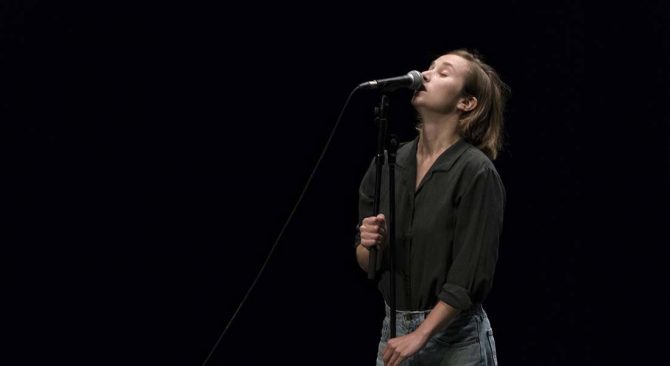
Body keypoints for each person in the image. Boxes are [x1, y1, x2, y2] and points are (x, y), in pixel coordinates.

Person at [354, 49, 510, 366]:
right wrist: (371, 244)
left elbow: (468, 277)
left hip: (455, 339)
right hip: (395, 333)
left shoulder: (475, 172)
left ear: (466, 103)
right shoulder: (388, 164)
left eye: (443, 72)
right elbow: (366, 261)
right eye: (430, 67)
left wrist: (421, 334)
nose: (425, 74)